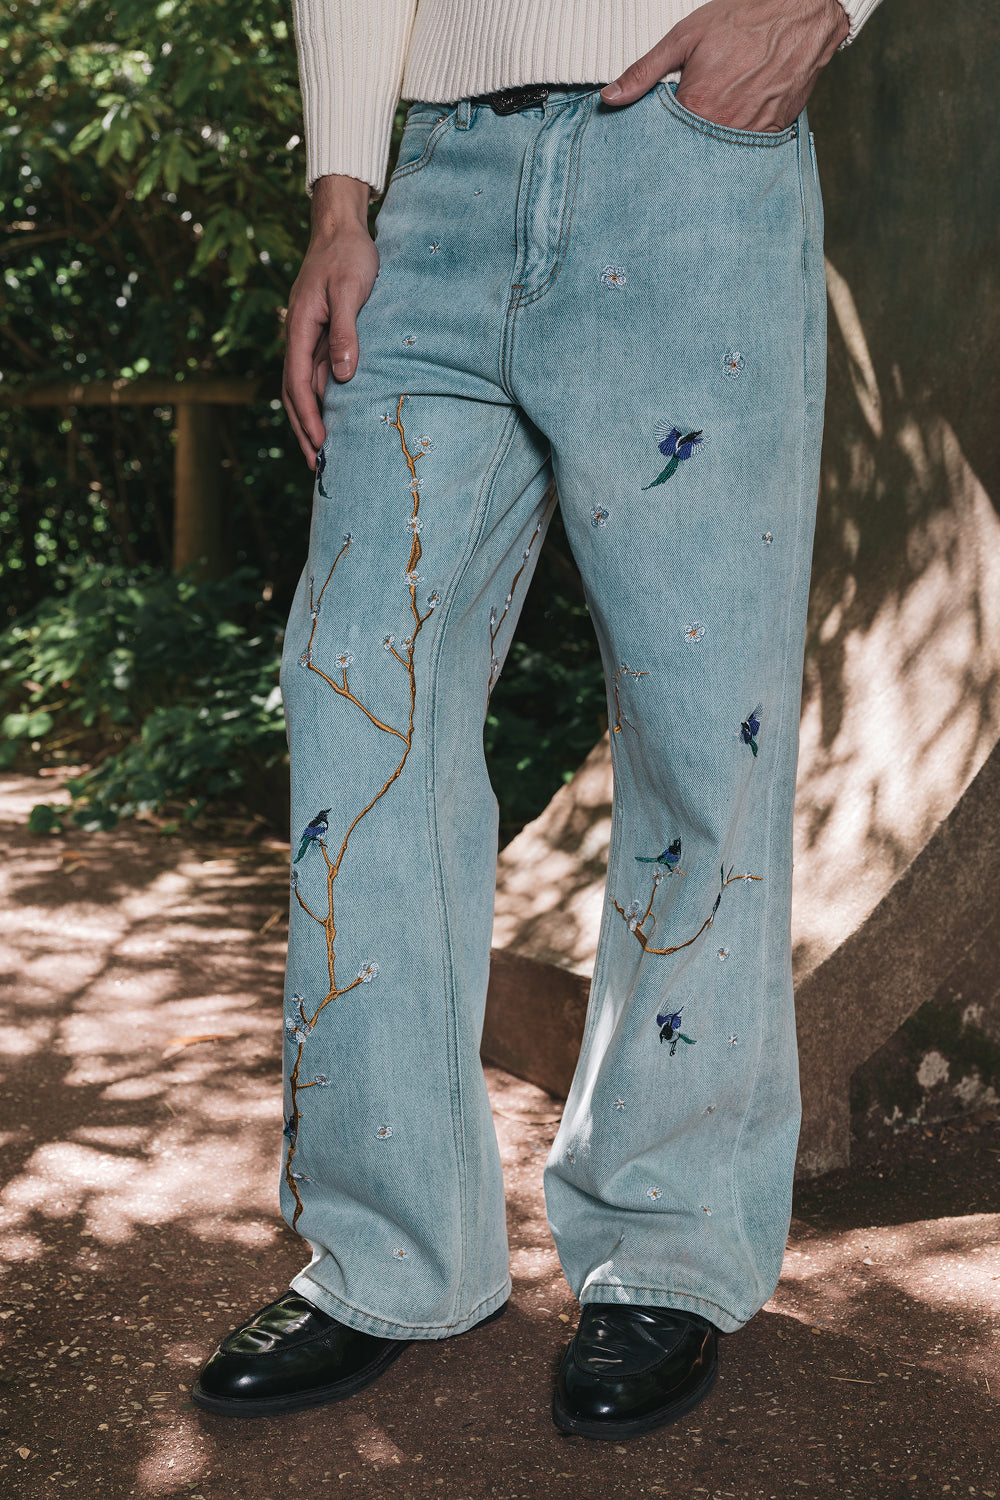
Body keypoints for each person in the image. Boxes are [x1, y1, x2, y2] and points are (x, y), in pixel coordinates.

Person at [193, 0, 883, 1438]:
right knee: (355, 687)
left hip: (688, 157)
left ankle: (670, 1244)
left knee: (707, 734)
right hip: (430, 189)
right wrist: (341, 189)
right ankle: (391, 1251)